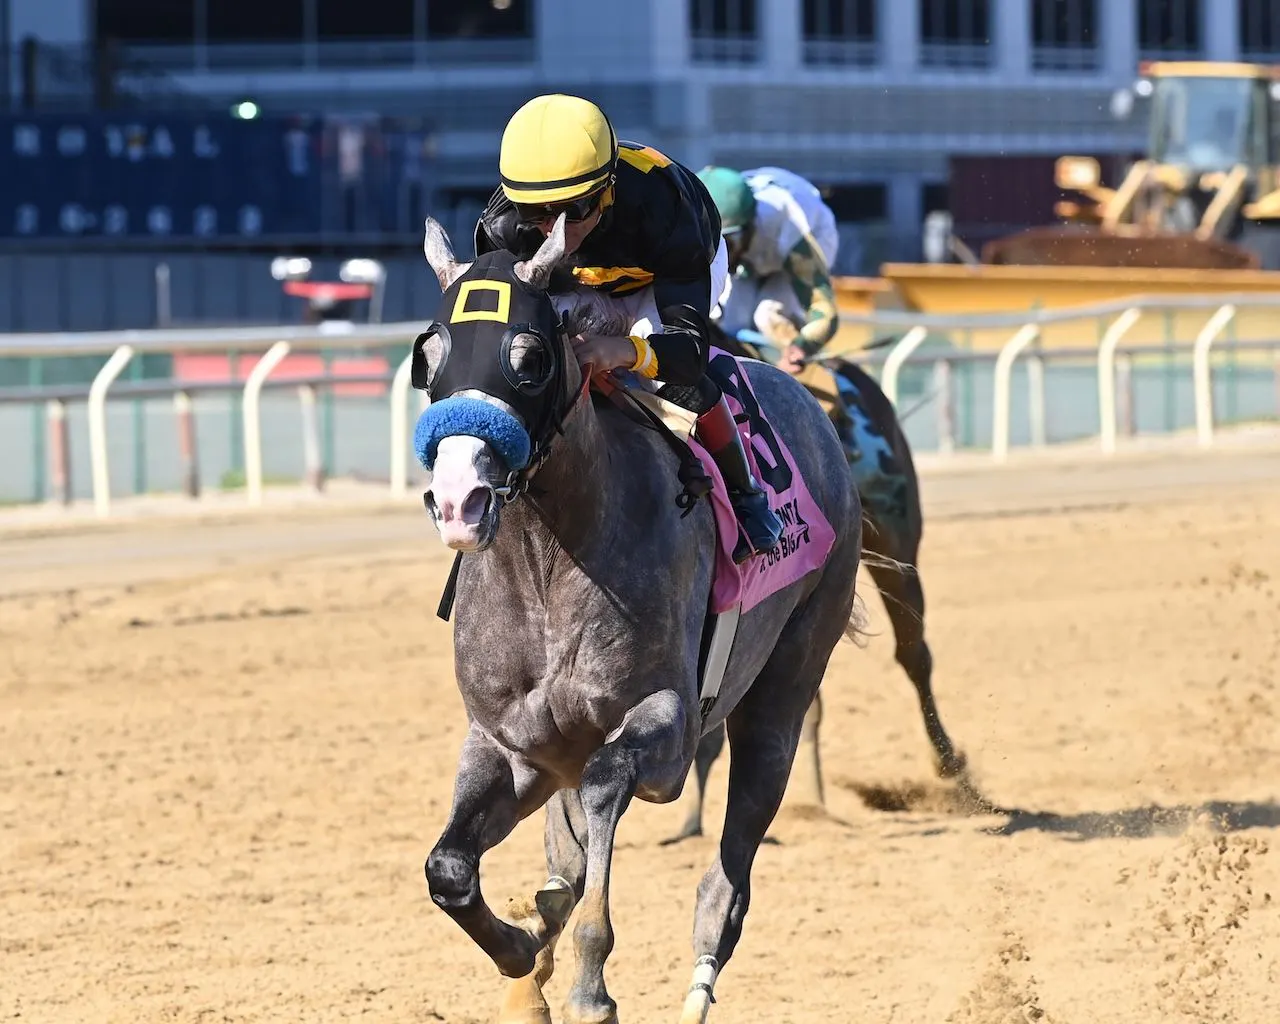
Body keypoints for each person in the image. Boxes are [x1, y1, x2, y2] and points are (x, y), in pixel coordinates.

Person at [473, 93, 782, 563]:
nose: (555, 232)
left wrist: (623, 350)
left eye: (573, 210)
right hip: (577, 278)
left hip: (661, 273)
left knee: (670, 378)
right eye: (538, 215)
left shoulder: (668, 210)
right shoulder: (503, 229)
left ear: (608, 188)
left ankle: (747, 495)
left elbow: (687, 351)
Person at [697, 165, 855, 455]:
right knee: (729, 322)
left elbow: (825, 312)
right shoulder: (725, 230)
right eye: (711, 245)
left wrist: (801, 345)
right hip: (754, 249)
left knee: (768, 315)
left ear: (746, 228)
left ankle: (836, 420)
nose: (720, 255)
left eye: (726, 245)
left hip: (811, 234)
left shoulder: (787, 225)